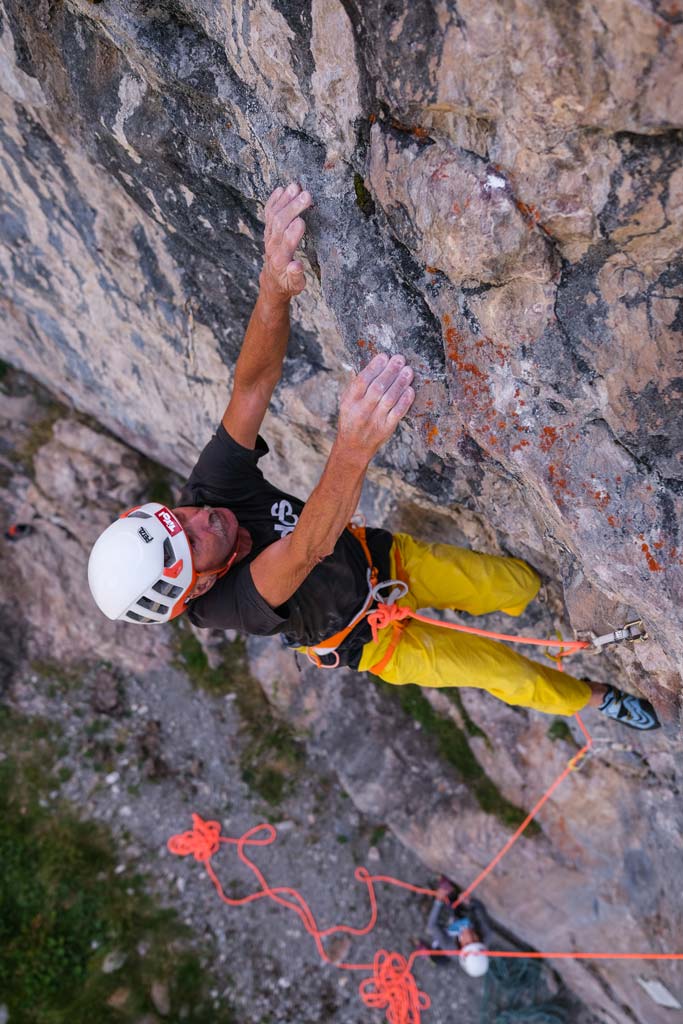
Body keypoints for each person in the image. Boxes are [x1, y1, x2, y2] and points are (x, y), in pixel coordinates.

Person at [88, 183, 660, 731]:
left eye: (176, 516)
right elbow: (307, 546)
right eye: (189, 542)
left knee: (513, 585)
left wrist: (272, 288)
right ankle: (599, 698)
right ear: (201, 586)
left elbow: (251, 389)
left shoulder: (208, 495)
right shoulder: (229, 607)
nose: (199, 518)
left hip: (384, 560)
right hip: (374, 640)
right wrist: (354, 442)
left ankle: (558, 606)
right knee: (501, 672)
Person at [423, 878, 490, 978]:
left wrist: (438, 901)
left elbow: (432, 926)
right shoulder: (487, 934)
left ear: (460, 948)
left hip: (448, 926)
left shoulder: (450, 947)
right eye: (475, 939)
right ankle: (452, 893)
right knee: (464, 911)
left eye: (467, 943)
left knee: (436, 918)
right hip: (463, 912)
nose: (469, 935)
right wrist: (470, 902)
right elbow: (480, 909)